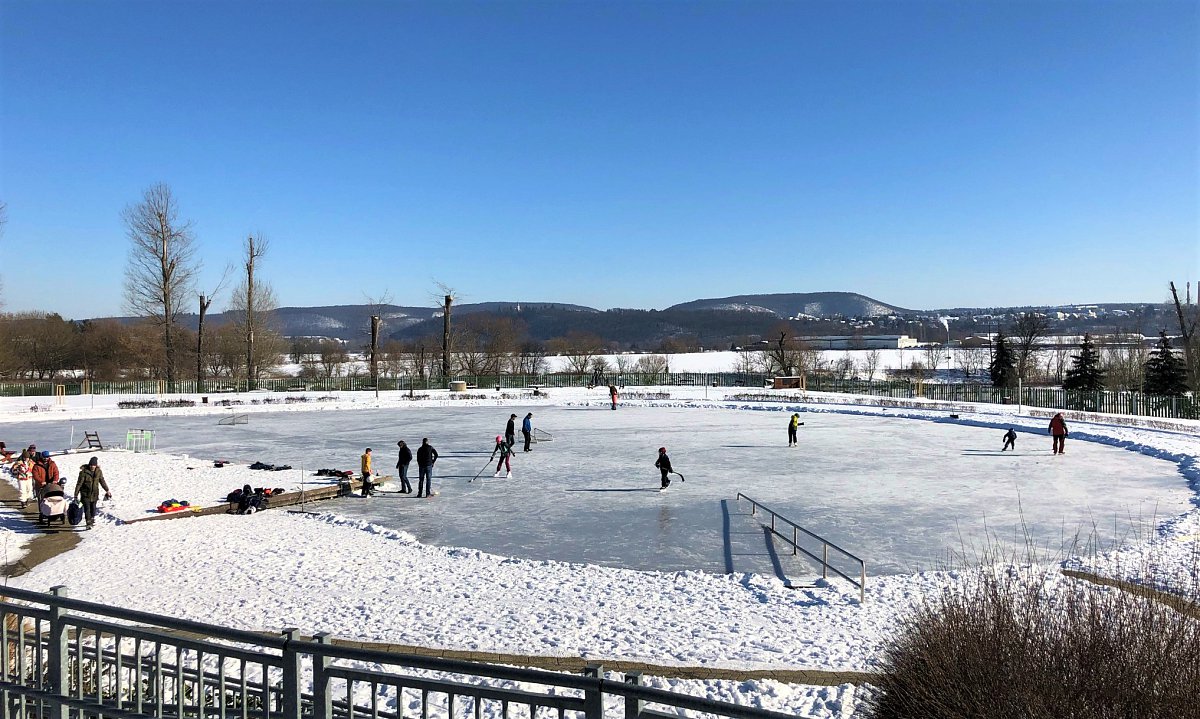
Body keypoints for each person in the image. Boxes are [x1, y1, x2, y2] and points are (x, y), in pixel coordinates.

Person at [76, 456, 112, 529]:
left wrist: (107, 490)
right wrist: (75, 494)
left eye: (94, 465)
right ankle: (88, 523)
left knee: (93, 508)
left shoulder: (98, 472)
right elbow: (79, 484)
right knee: (87, 509)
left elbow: (102, 481)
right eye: (91, 465)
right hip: (85, 494)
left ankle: (92, 519)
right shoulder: (83, 473)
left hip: (94, 494)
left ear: (96, 465)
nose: (92, 466)